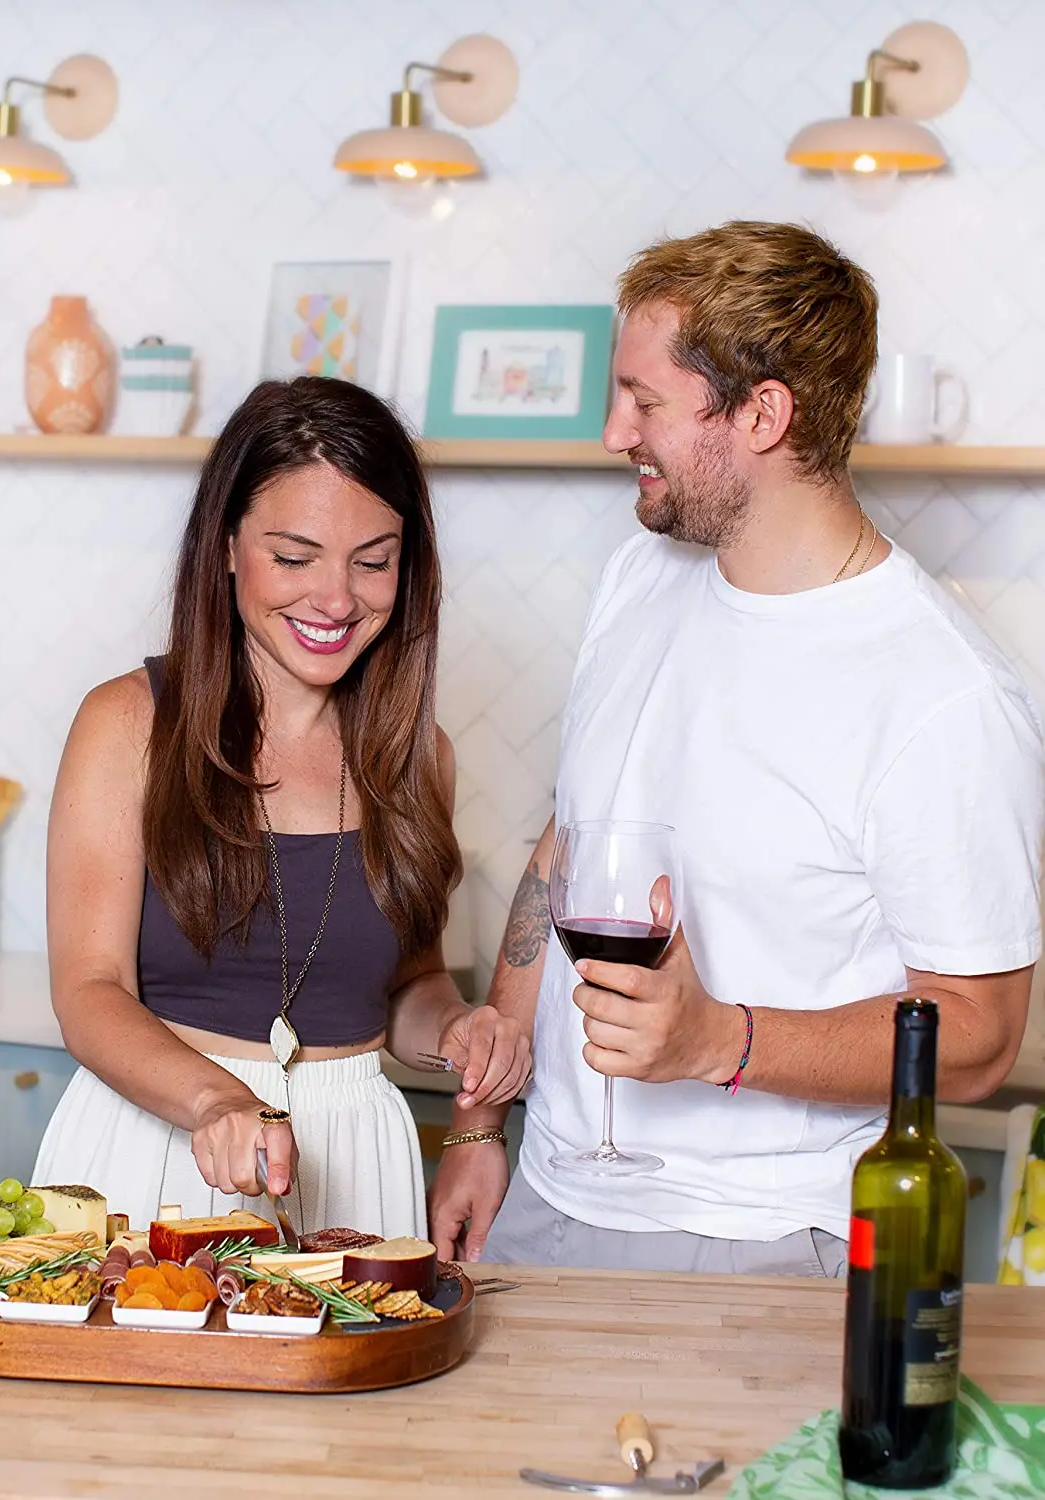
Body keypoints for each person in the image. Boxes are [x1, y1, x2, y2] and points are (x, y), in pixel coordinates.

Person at [429, 220, 1045, 1273]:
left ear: (763, 414)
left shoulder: (941, 693)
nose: (614, 432)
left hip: (760, 1235)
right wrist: (483, 1122)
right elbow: (571, 841)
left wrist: (719, 1041)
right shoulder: (642, 579)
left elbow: (981, 1032)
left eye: (646, 401)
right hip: (547, 1195)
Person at [35, 376, 531, 1238]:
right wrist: (218, 1100)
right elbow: (89, 990)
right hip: (159, 1150)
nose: (336, 600)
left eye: (373, 561)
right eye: (295, 558)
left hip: (357, 1172)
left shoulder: (420, 757)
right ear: (226, 546)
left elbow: (409, 984)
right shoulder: (126, 725)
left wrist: (457, 1030)